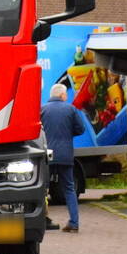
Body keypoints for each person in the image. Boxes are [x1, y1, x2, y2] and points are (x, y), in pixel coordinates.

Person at [41, 83, 83, 233]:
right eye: (66, 94)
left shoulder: (43, 109)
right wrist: (68, 134)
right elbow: (81, 128)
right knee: (69, 188)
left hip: (47, 154)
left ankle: (43, 219)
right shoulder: (70, 109)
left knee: (43, 188)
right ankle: (74, 223)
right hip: (66, 154)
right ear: (62, 95)